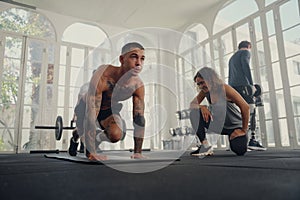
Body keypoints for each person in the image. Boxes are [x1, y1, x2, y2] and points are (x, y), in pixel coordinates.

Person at [69, 42, 146, 161]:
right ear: (122, 59)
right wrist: (91, 152)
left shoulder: (137, 85)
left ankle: (96, 139)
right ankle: (75, 137)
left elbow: (139, 118)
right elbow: (91, 113)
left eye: (142, 59)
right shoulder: (103, 75)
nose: (138, 63)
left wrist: (138, 152)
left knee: (116, 135)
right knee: (81, 132)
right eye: (134, 56)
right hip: (86, 107)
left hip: (108, 110)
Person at [189, 67, 250, 156]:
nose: (201, 86)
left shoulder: (224, 88)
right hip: (219, 125)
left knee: (239, 151)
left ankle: (241, 139)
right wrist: (202, 107)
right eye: (198, 84)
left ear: (210, 79)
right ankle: (205, 146)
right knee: (194, 113)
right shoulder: (205, 91)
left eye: (202, 82)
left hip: (235, 127)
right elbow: (192, 104)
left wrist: (244, 130)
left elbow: (245, 107)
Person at [228, 40, 266, 151]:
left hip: (234, 89)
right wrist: (251, 84)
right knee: (251, 111)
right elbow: (246, 66)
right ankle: (252, 140)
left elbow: (231, 75)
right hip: (244, 87)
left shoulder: (232, 57)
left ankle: (239, 141)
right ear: (249, 46)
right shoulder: (245, 53)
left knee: (239, 113)